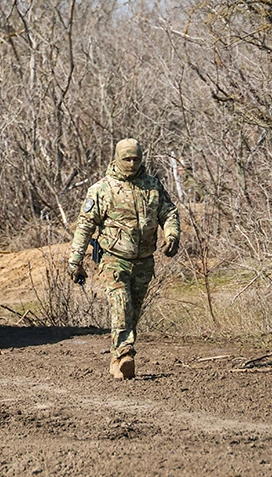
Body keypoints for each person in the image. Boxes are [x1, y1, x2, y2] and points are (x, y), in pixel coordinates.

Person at [66, 138, 180, 380]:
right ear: (117, 158)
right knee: (120, 304)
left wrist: (172, 235)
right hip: (113, 258)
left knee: (133, 311)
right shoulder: (101, 189)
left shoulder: (152, 186)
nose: (131, 163)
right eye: (126, 159)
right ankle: (125, 353)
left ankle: (117, 359)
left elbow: (168, 212)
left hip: (144, 261)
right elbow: (85, 226)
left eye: (136, 159)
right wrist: (75, 261)